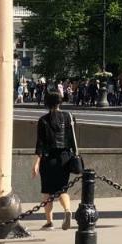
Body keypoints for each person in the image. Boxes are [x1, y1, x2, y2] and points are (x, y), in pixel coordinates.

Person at [32, 92, 80, 230]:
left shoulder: (43, 120)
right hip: (65, 157)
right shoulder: (69, 117)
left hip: (49, 159)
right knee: (62, 188)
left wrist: (36, 162)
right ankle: (67, 211)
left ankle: (49, 222)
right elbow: (73, 139)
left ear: (47, 103)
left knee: (47, 191)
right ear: (60, 102)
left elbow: (40, 144)